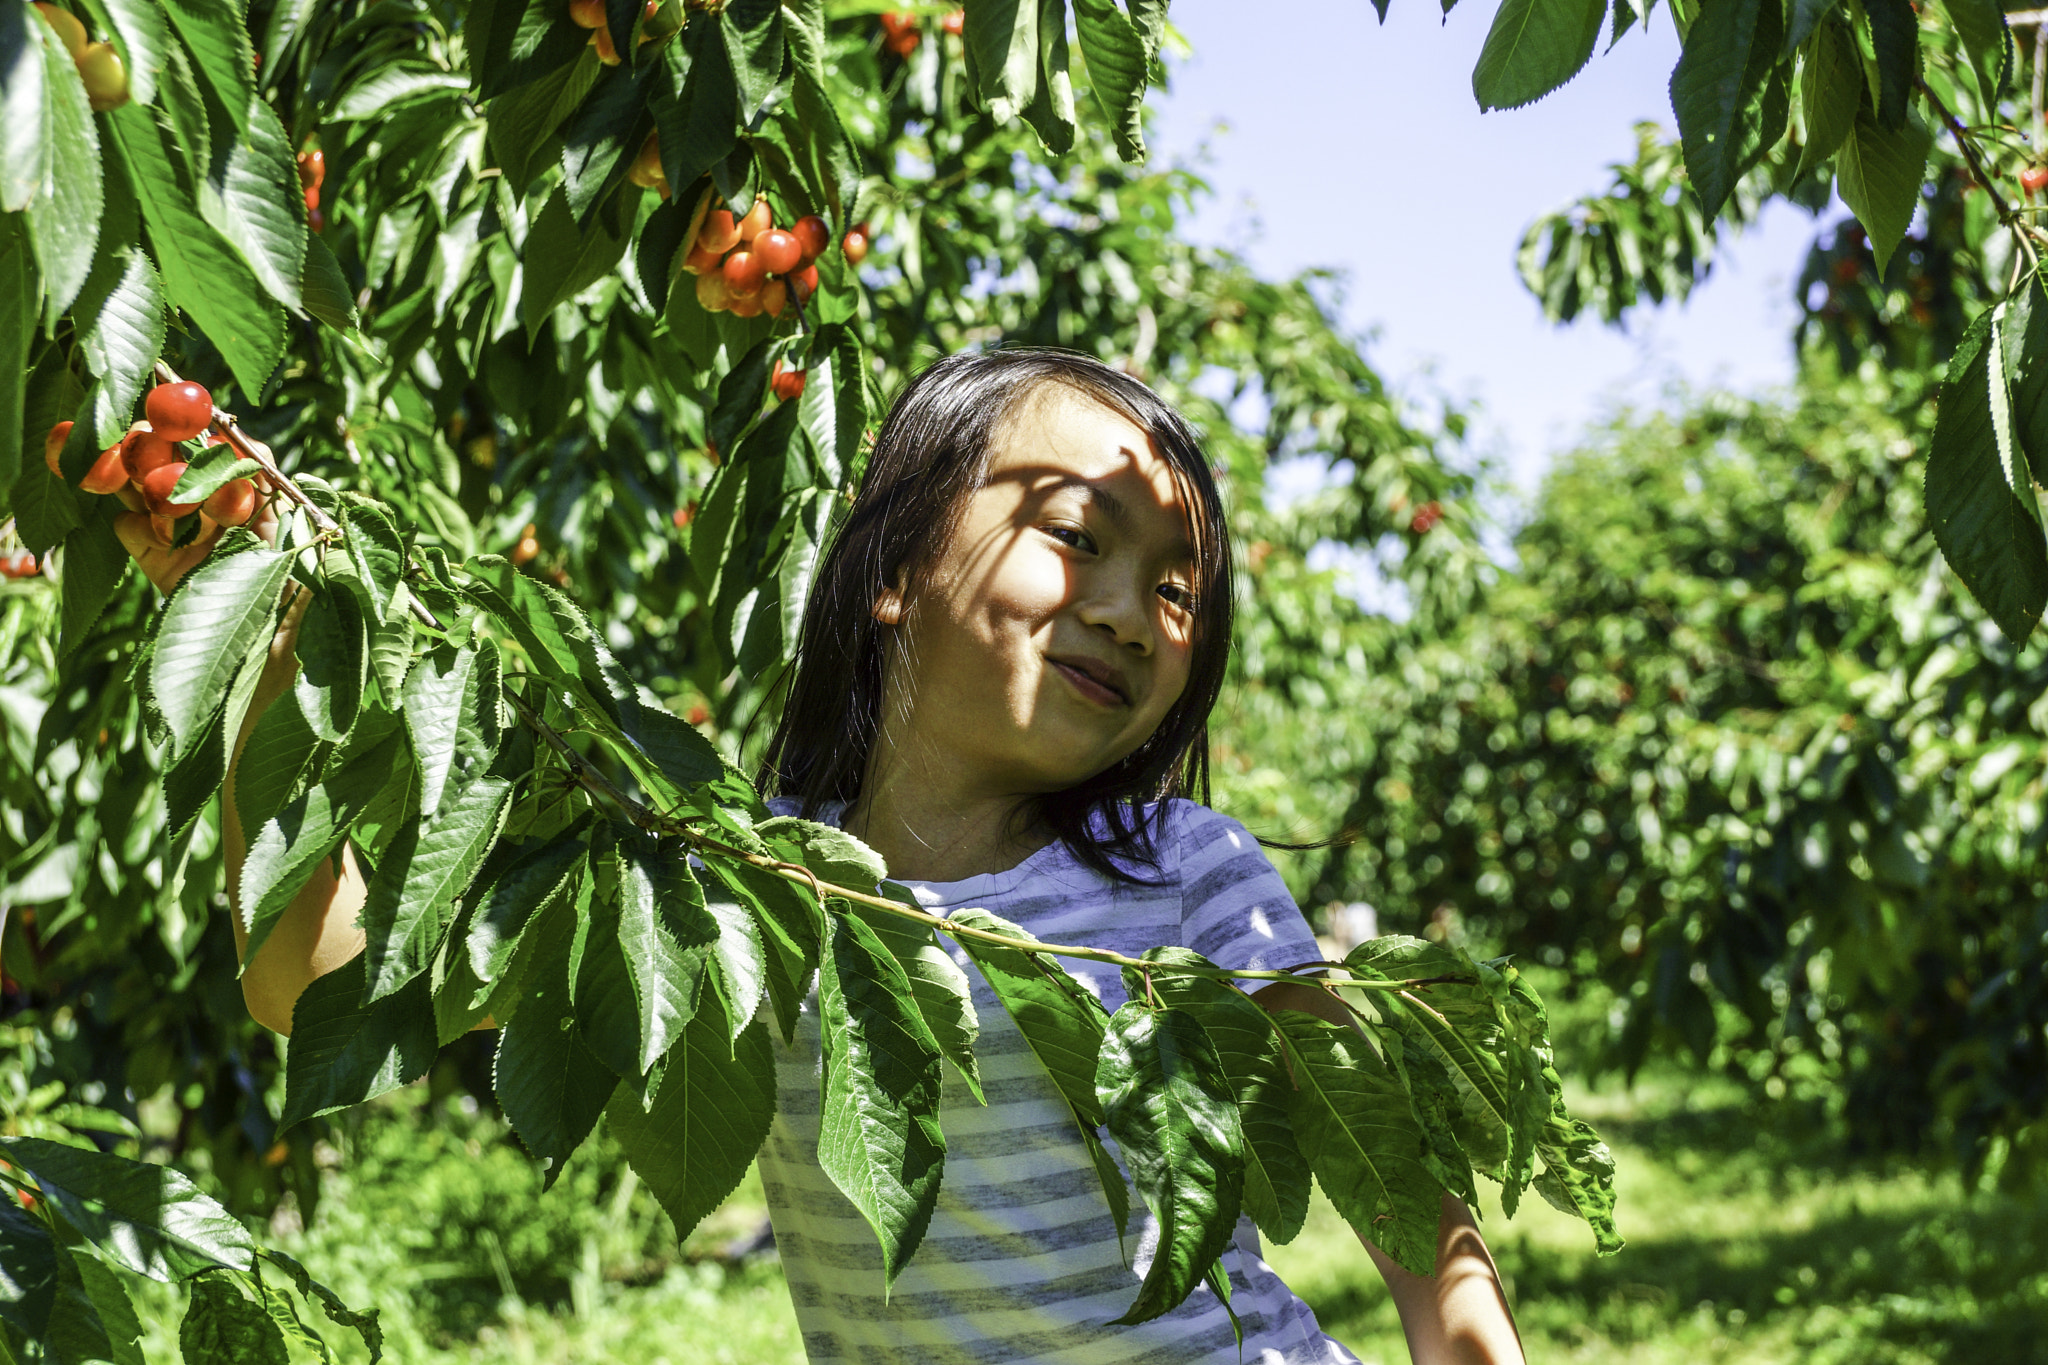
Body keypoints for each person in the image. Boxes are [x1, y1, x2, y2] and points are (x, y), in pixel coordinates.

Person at [122, 349, 1524, 1365]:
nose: (1130, 610)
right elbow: (312, 990)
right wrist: (271, 637)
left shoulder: (1185, 874)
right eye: (1077, 536)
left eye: (1176, 590)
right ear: (895, 569)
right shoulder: (734, 888)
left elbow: (1394, 1174)